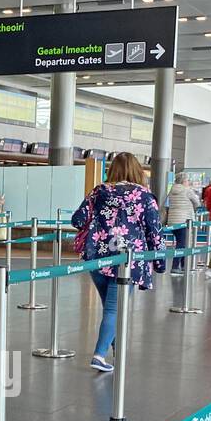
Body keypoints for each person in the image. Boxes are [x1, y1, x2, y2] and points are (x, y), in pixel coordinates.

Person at [70, 152, 164, 373]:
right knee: (114, 308)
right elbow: (154, 231)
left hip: (97, 256)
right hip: (128, 259)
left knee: (111, 308)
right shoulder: (144, 196)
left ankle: (115, 347)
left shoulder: (99, 191)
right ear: (137, 171)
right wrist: (159, 262)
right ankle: (99, 355)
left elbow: (77, 219)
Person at [165, 173, 200, 273]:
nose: (188, 182)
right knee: (182, 243)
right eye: (187, 180)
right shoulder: (187, 190)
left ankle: (184, 266)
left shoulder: (171, 190)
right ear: (184, 181)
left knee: (183, 242)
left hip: (172, 220)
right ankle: (175, 267)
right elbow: (197, 202)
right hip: (184, 220)